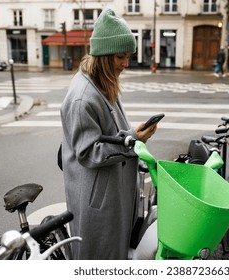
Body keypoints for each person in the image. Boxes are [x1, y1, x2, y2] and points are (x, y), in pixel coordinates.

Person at [60, 8, 158, 260]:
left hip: (110, 194)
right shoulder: (84, 97)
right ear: (103, 55)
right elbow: (89, 152)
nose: (126, 63)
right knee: (100, 261)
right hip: (98, 202)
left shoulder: (102, 82)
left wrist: (131, 134)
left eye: (128, 56)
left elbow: (108, 135)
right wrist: (133, 141)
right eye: (120, 57)